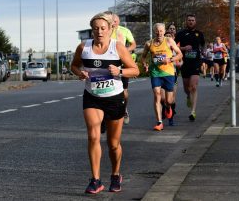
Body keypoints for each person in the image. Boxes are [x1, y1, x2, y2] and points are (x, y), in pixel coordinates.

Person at [70, 12, 139, 194]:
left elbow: (135, 70)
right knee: (93, 136)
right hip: (92, 96)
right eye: (95, 29)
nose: (99, 32)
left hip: (114, 97)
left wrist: (120, 71)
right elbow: (74, 65)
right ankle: (95, 180)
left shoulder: (117, 48)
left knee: (113, 144)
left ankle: (116, 175)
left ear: (110, 29)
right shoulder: (83, 47)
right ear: (91, 30)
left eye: (103, 28)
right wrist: (80, 73)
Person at [141, 23, 182, 131]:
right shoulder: (149, 43)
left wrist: (170, 59)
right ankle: (159, 122)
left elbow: (180, 54)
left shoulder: (169, 41)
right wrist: (145, 65)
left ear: (164, 31)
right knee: (157, 95)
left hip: (168, 73)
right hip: (155, 73)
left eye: (161, 31)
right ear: (154, 31)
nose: (159, 33)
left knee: (168, 101)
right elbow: (143, 57)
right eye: (157, 31)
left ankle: (168, 108)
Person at [175, 14, 205, 121]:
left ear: (195, 22)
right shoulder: (181, 34)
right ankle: (188, 96)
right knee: (186, 88)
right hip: (185, 63)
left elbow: (203, 46)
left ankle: (193, 111)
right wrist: (184, 48)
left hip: (196, 62)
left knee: (194, 87)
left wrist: (203, 53)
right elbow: (175, 47)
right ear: (186, 22)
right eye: (189, 20)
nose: (191, 22)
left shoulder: (200, 34)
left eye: (193, 20)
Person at [111, 14, 137, 125]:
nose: (114, 23)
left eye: (116, 21)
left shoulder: (125, 31)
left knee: (124, 91)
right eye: (112, 21)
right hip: (111, 63)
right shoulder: (106, 31)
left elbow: (133, 44)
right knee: (110, 88)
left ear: (119, 21)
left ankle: (124, 110)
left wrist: (125, 50)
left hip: (123, 63)